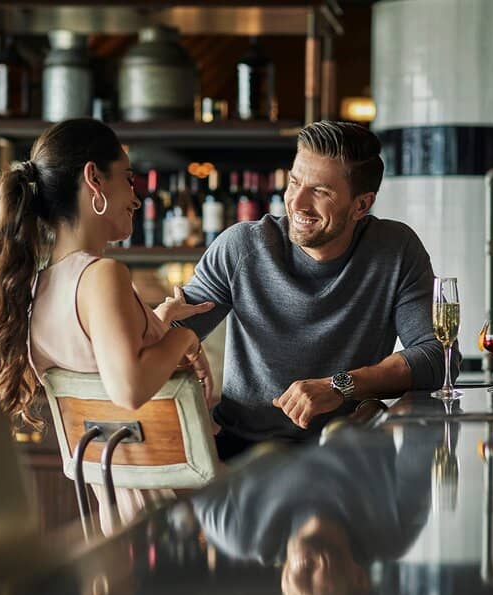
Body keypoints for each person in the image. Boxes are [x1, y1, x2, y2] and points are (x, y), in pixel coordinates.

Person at [0, 118, 214, 521]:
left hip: (120, 528)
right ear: (94, 179)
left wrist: (157, 322)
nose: (136, 198)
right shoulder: (102, 276)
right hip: (183, 523)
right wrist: (184, 340)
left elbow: (93, 352)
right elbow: (128, 389)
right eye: (128, 179)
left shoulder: (38, 287)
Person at [176, 120, 457, 459]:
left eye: (321, 191)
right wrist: (177, 343)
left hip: (348, 455)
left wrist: (339, 385)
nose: (298, 203)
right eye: (295, 182)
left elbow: (439, 357)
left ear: (361, 205)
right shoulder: (241, 247)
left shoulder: (395, 250)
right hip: (244, 456)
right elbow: (167, 336)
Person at [191, 427, 434, 595]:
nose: (297, 580)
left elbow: (187, 463)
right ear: (359, 580)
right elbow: (426, 431)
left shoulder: (239, 530)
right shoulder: (391, 529)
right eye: (316, 590)